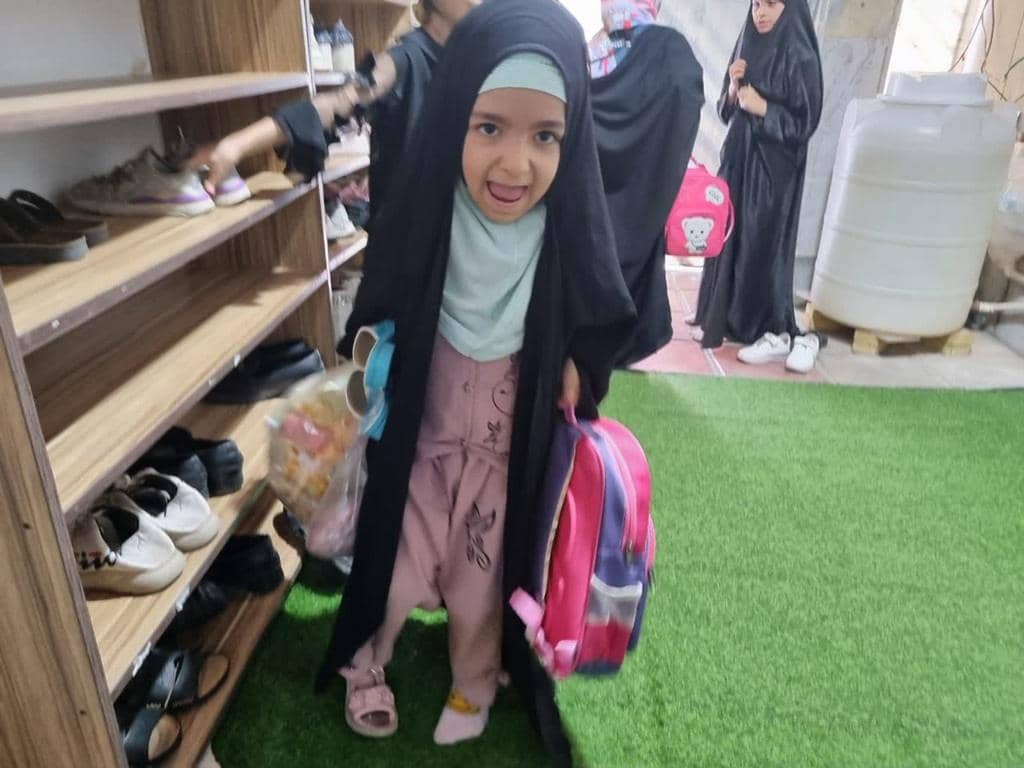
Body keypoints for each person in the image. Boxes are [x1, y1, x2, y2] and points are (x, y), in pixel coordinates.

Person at [317, 0, 635, 762]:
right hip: (424, 443)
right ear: (455, 115)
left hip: (499, 453)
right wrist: (362, 364)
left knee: (478, 585)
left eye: (545, 136)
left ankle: (477, 680)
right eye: (488, 127)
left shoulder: (561, 231)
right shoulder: (434, 209)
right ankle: (369, 665)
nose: (514, 165)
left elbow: (597, 307)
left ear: (573, 138)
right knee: (393, 569)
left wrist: (572, 360)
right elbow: (384, 288)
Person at [194, 0, 479, 217]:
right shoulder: (404, 59)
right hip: (407, 248)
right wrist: (238, 145)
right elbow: (339, 102)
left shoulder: (470, 59)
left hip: (454, 237)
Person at [693, 0, 824, 373]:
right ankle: (728, 317)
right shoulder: (747, 41)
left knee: (760, 241)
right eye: (755, 4)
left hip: (773, 170)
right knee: (730, 234)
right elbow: (725, 109)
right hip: (737, 159)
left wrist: (765, 108)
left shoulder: (800, 53)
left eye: (770, 4)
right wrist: (734, 90)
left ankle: (768, 328)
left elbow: (805, 122)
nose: (760, 13)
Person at [589, 0, 704, 366]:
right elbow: (686, 97)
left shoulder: (593, 49)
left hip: (593, 183)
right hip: (642, 186)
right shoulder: (670, 49)